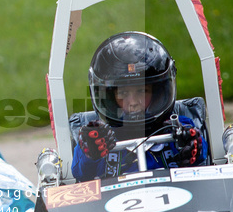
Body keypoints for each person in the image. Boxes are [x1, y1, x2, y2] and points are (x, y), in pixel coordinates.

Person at [71, 31, 207, 181]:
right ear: (109, 97)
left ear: (158, 93)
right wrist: (90, 151)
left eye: (142, 91)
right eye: (123, 93)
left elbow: (200, 152)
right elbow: (80, 172)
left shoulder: (178, 127)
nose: (133, 102)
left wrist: (191, 146)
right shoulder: (98, 139)